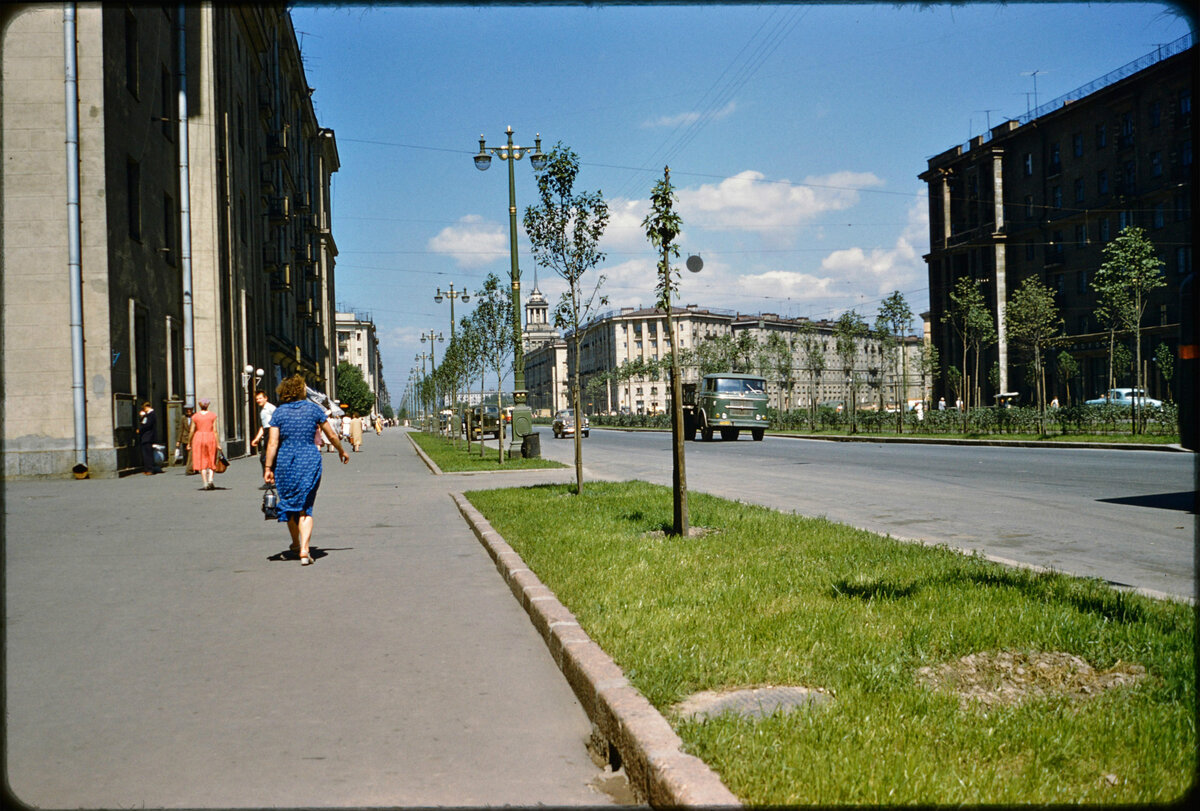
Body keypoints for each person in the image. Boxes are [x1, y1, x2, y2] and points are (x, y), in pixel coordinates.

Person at [264, 375, 348, 565]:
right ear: (301, 390)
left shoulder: (279, 413)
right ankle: (304, 550)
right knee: (305, 506)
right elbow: (332, 435)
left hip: (285, 461)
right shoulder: (313, 410)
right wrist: (342, 451)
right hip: (309, 459)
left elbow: (272, 443)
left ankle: (295, 543)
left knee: (290, 502)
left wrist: (268, 467)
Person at [190, 398, 219, 490]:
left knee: (201, 459)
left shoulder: (195, 416)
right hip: (210, 436)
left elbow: (191, 430)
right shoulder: (212, 416)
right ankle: (210, 479)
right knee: (211, 457)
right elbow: (215, 430)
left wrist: (189, 442)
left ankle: (205, 482)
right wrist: (218, 443)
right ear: (208, 405)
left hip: (198, 437)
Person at [252, 390, 276, 489]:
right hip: (267, 433)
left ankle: (271, 480)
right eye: (257, 399)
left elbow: (277, 421)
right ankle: (270, 480)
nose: (258, 400)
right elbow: (263, 426)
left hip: (272, 432)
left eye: (260, 398)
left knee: (267, 457)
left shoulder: (271, 408)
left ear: (266, 398)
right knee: (264, 458)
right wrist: (257, 438)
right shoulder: (262, 411)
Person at [137, 402, 162, 475]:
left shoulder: (151, 415)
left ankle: (150, 469)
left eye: (144, 409)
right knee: (146, 454)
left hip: (148, 437)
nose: (144, 410)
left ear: (147, 407)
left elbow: (146, 424)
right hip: (147, 437)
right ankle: (148, 468)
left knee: (148, 454)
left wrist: (140, 428)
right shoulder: (149, 415)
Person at [176, 405, 195, 472]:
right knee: (186, 454)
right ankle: (189, 466)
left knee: (193, 454)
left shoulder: (195, 417)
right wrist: (178, 440)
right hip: (185, 438)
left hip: (193, 438)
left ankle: (192, 467)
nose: (188, 411)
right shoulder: (183, 418)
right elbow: (180, 429)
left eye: (190, 410)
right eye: (187, 410)